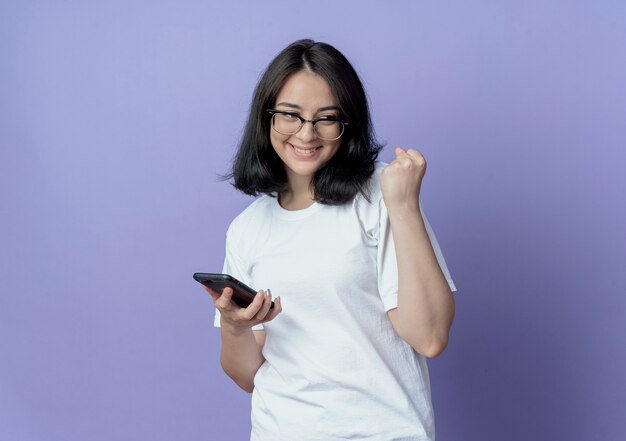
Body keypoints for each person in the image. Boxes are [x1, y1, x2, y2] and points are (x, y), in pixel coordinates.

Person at [204, 39, 457, 441]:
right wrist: (235, 327)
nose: (307, 134)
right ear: (267, 117)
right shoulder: (247, 227)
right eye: (290, 115)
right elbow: (248, 377)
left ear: (348, 123)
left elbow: (428, 336)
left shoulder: (382, 193)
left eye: (326, 118)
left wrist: (405, 206)